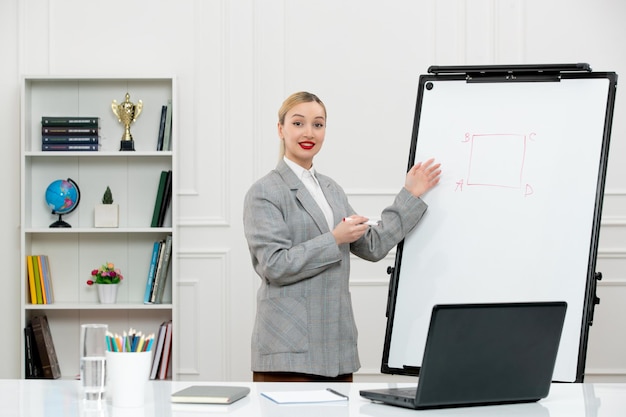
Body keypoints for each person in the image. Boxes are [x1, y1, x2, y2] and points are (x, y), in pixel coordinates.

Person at [243, 91, 441, 382]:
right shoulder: (264, 192)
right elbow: (274, 266)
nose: (309, 132)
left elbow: (372, 246)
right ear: (280, 129)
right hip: (288, 350)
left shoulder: (331, 189)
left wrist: (410, 194)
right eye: (298, 123)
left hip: (336, 349)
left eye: (318, 124)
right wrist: (334, 239)